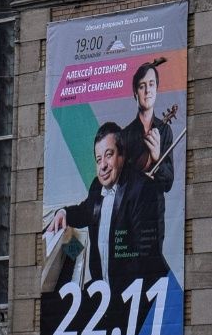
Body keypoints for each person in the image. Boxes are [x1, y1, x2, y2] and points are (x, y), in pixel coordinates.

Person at [49, 124, 169, 291]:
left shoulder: (143, 189)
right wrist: (64, 213)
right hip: (106, 290)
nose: (103, 165)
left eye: (109, 155)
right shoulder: (97, 187)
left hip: (138, 294)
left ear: (122, 155)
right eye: (98, 160)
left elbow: (144, 258)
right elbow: (85, 211)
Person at [117, 57, 178, 192]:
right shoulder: (124, 135)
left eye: (151, 84)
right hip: (131, 210)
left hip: (154, 209)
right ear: (135, 92)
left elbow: (168, 184)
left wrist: (157, 157)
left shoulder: (165, 131)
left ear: (156, 88)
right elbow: (118, 182)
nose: (147, 91)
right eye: (142, 86)